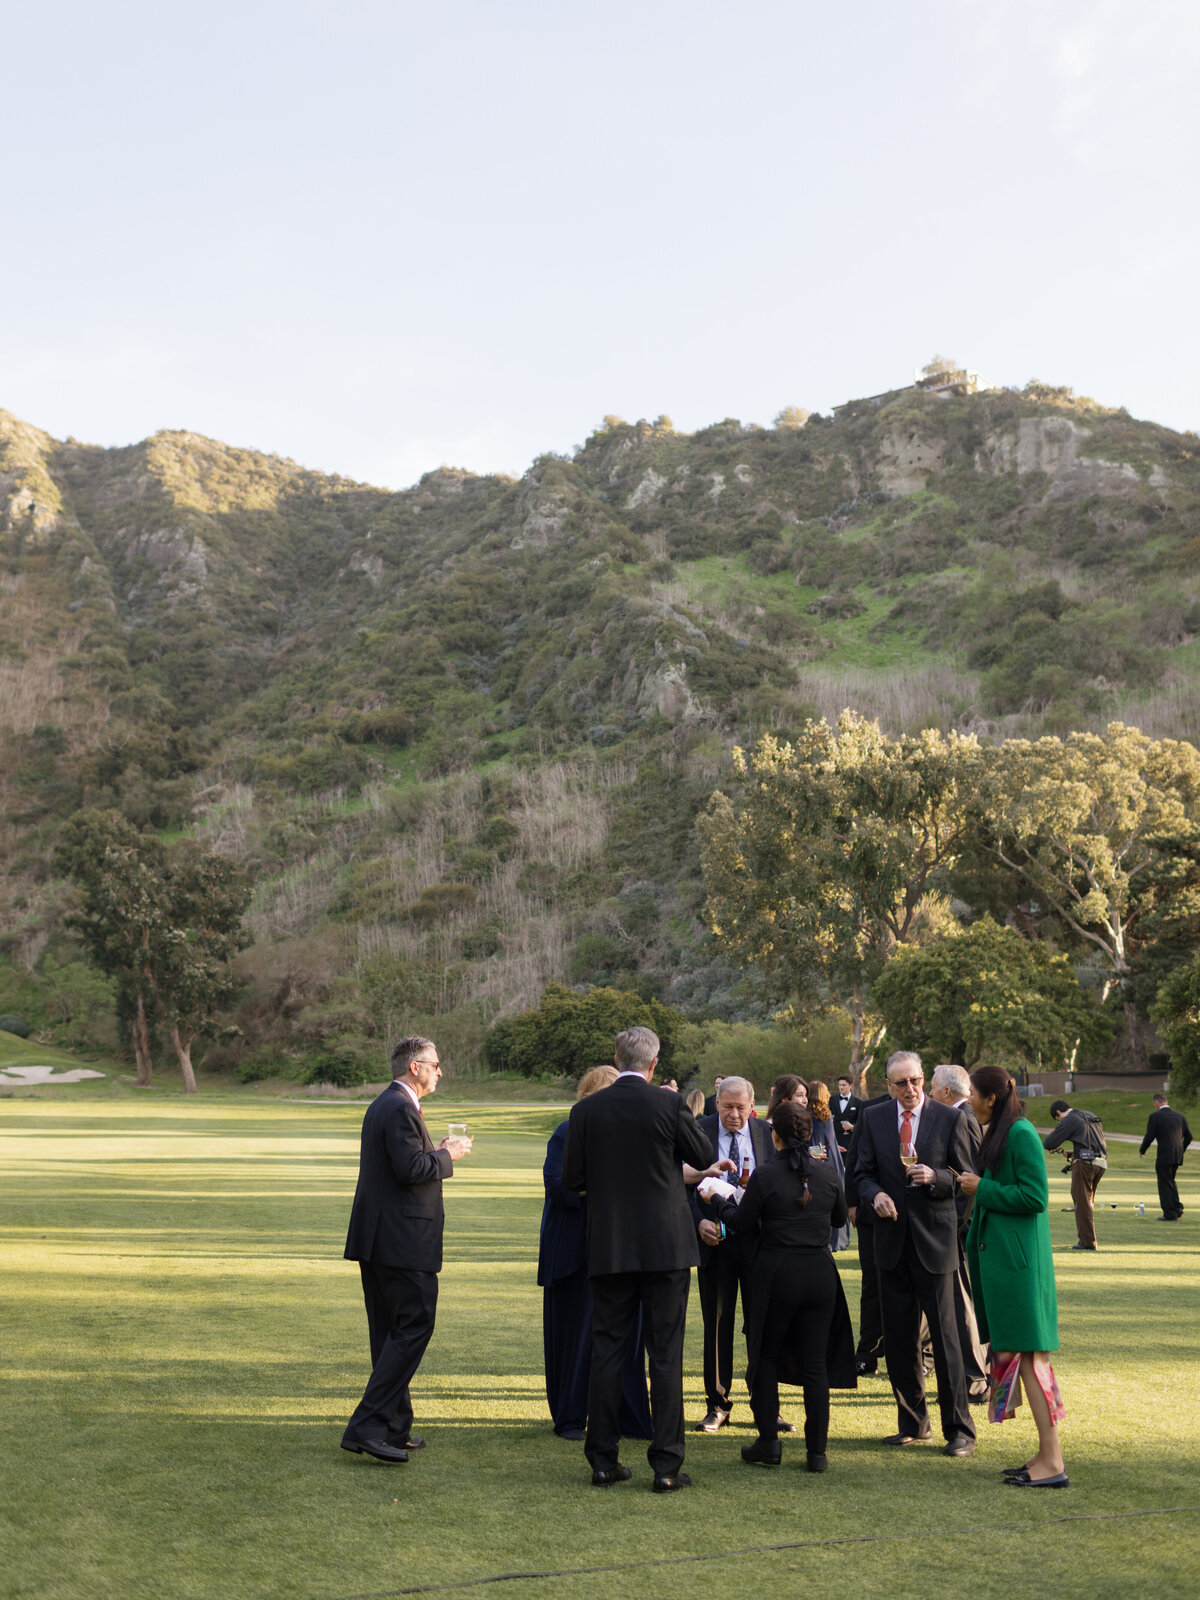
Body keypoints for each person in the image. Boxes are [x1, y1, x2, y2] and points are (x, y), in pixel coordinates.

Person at [562, 1025, 712, 1492]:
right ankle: (666, 1466)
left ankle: (603, 1460)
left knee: (607, 1350)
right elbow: (704, 1153)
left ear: (616, 1057)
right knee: (665, 1354)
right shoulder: (668, 1104)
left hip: (609, 1244)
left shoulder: (586, 1110)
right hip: (666, 1247)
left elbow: (572, 1179)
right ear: (653, 1064)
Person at [699, 1101, 856, 1472]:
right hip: (819, 1272)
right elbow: (837, 1219)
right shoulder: (828, 1174)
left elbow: (740, 1221)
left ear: (775, 1137)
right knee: (815, 1364)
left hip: (777, 1272)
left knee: (766, 1357)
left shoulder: (767, 1176)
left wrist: (717, 1198)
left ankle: (769, 1443)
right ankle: (816, 1452)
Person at [341, 1036, 472, 1462]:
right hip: (401, 1242)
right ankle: (365, 1426)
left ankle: (394, 1428)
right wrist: (448, 1155)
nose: (439, 1071)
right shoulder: (399, 1107)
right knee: (413, 1326)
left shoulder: (387, 1103)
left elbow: (405, 1163)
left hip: (381, 1239)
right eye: (435, 1064)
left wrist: (433, 1152)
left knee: (389, 1333)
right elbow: (412, 1169)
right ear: (414, 1067)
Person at [854, 1050, 976, 1456]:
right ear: (887, 1085)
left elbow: (967, 1180)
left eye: (916, 1081)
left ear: (925, 1080)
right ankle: (913, 1423)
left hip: (936, 1245)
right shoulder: (873, 1119)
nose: (910, 1090)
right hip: (890, 1245)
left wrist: (937, 1177)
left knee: (947, 1341)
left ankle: (959, 1429)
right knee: (901, 1341)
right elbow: (861, 1173)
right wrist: (875, 1196)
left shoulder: (952, 1119)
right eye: (901, 1083)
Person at [959, 1066, 1067, 1489]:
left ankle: (1054, 1462)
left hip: (1020, 1272)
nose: (968, 1101)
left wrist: (979, 1188)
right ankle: (1045, 1453)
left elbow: (1035, 1197)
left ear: (991, 1098)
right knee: (1030, 1364)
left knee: (1033, 1365)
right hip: (1009, 1268)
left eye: (973, 1094)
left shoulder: (1020, 1133)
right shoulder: (1001, 1131)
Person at [539, 1066, 652, 1442]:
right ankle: (571, 1415)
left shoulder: (626, 1135)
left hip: (620, 1245)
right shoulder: (567, 1131)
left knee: (626, 1332)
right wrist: (604, 1185)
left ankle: (630, 1417)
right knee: (578, 1331)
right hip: (575, 1247)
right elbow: (557, 1186)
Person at [688, 1075, 774, 1432]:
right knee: (718, 1324)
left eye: (741, 1107)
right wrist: (697, 1223)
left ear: (752, 1106)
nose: (734, 1115)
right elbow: (679, 1184)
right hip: (715, 1242)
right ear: (716, 1103)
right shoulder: (698, 1131)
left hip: (758, 1244)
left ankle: (765, 1404)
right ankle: (718, 1404)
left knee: (762, 1325)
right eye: (727, 1107)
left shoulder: (768, 1134)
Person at [929, 1064, 989, 1403]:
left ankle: (974, 1380)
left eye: (933, 1087)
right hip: (957, 1226)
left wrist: (959, 1226)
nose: (929, 1093)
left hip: (958, 1228)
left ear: (947, 1092)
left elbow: (969, 1178)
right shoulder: (963, 1114)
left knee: (963, 1302)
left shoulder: (961, 1117)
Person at [1043, 1100, 1108, 1250]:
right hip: (1101, 1163)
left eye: (1057, 1120)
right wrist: (1075, 1152)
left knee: (1082, 1204)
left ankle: (1087, 1242)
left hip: (1085, 1165)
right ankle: (1088, 1239)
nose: (1059, 1122)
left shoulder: (1070, 1119)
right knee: (1088, 1202)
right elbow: (1093, 1143)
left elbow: (1049, 1142)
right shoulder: (1089, 1115)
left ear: (1058, 1113)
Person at [1139, 1093, 1193, 1221]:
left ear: (1157, 1102)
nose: (1154, 1106)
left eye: (1154, 1104)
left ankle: (1170, 1213)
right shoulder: (1180, 1116)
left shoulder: (1155, 1116)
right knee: (1170, 1181)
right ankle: (1177, 1207)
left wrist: (1142, 1150)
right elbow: (1189, 1137)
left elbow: (1149, 1136)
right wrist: (1181, 1149)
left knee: (1164, 1183)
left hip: (1164, 1155)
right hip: (1177, 1156)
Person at [832, 1075, 863, 1154]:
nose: (841, 1087)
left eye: (844, 1085)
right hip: (834, 1140)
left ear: (851, 1086)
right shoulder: (831, 1100)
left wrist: (853, 1126)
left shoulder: (858, 1103)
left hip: (850, 1142)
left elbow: (861, 1122)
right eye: (839, 1085)